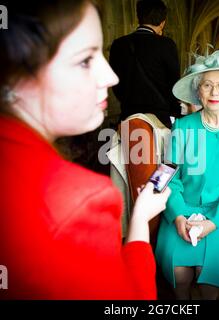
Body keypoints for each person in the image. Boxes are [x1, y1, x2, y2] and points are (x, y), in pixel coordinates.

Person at [0, 0, 170, 300]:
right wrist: (140, 220)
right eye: (84, 60)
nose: (110, 77)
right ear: (16, 73)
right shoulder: (81, 199)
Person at [155, 50, 219, 299]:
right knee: (179, 273)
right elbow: (168, 173)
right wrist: (178, 216)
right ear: (197, 91)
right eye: (207, 85)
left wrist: (212, 222)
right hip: (182, 209)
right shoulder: (182, 126)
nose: (214, 93)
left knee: (208, 276)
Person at [109, 0, 181, 129]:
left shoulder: (119, 44)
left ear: (138, 18)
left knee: (129, 149)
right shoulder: (166, 44)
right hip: (159, 120)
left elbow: (115, 83)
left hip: (128, 117)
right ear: (162, 22)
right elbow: (174, 84)